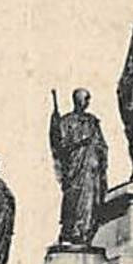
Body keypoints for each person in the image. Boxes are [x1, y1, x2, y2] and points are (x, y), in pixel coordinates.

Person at [49, 88, 109, 246]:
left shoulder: (92, 121)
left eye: (88, 99)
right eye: (85, 99)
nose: (87, 103)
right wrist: (81, 143)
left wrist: (101, 157)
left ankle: (85, 233)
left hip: (91, 169)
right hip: (75, 167)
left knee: (91, 200)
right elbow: (61, 146)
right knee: (73, 198)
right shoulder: (66, 121)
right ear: (76, 100)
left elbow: (101, 143)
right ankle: (71, 231)